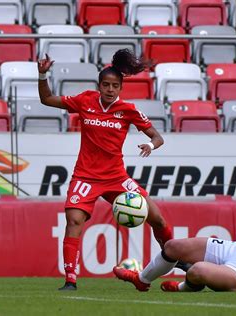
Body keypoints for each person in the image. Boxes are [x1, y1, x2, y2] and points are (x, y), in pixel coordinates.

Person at [38, 49, 178, 291]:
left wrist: (150, 145)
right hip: (86, 176)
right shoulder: (85, 101)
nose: (110, 89)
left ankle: (179, 258)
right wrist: (42, 75)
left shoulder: (128, 109)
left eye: (115, 86)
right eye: (106, 85)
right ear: (99, 85)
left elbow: (158, 137)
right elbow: (47, 99)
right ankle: (70, 279)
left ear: (120, 88)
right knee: (73, 221)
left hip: (117, 178)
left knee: (158, 218)